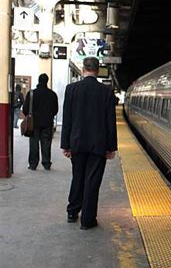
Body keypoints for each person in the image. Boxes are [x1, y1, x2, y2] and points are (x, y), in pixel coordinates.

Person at [61, 57, 117, 230]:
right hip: (98, 145)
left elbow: (67, 119)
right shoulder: (106, 92)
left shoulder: (71, 89)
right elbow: (110, 122)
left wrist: (65, 144)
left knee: (77, 176)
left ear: (84, 68)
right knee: (92, 182)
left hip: (77, 142)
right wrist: (111, 147)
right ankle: (87, 220)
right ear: (98, 69)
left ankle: (72, 212)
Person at [23, 74, 58, 170]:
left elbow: (25, 109)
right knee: (46, 143)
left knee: (34, 143)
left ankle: (33, 164)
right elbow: (55, 110)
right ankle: (46, 163)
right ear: (47, 81)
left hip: (34, 123)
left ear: (38, 81)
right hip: (47, 123)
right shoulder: (52, 94)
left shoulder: (31, 93)